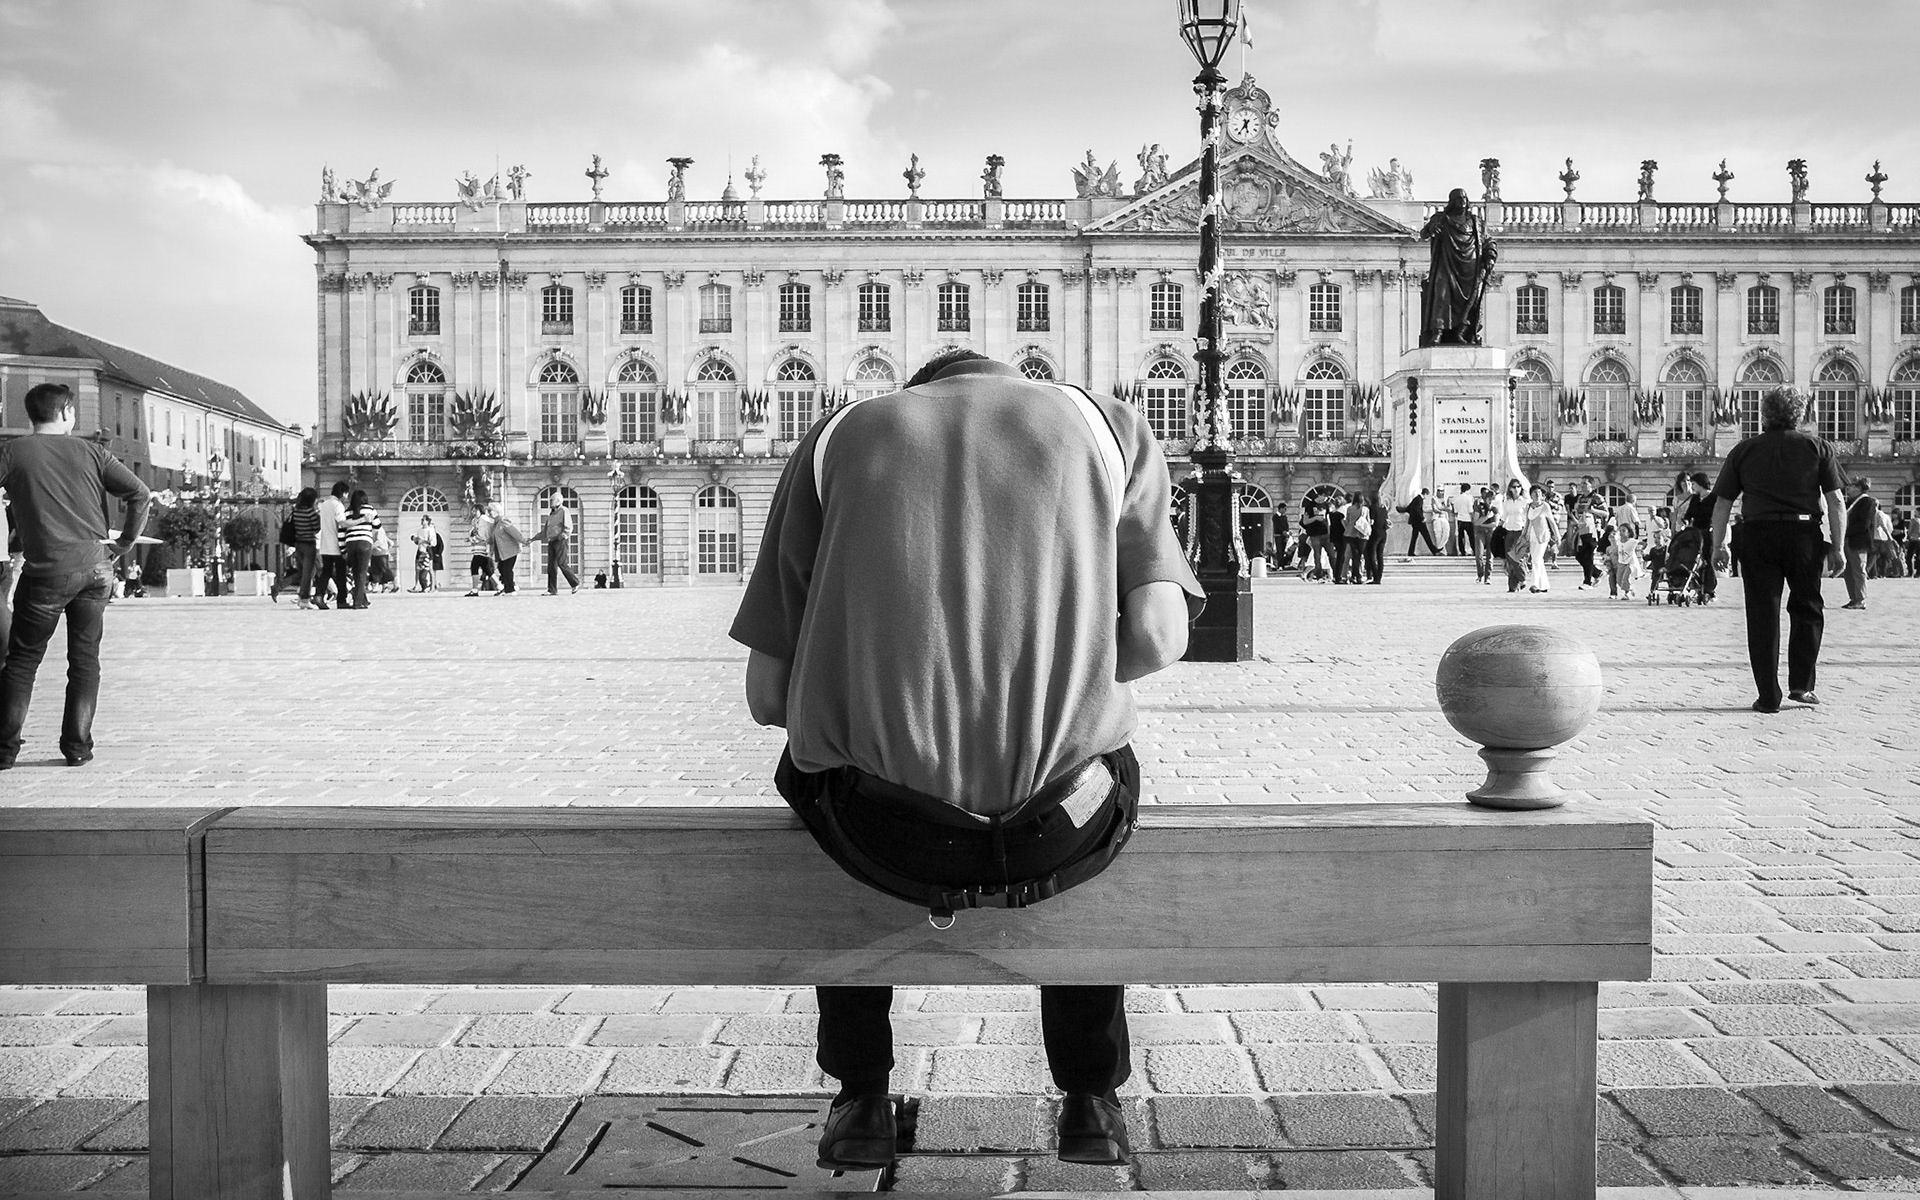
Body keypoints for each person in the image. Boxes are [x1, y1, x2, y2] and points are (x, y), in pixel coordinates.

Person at [730, 349, 1202, 1172]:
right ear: (1012, 383)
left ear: (919, 394)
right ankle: (1091, 1099)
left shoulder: (838, 438)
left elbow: (769, 700)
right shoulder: (1104, 424)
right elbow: (1161, 637)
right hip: (1061, 827)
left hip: (881, 834)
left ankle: (861, 1097)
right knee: (1098, 761)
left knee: (813, 767)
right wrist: (1062, 674)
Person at [0, 382, 152, 768]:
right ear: (67, 412)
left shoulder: (13, 452)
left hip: (48, 570)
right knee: (85, 660)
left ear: (30, 415)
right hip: (97, 567)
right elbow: (140, 493)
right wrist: (127, 542)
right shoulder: (93, 452)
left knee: (22, 661)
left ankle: (4, 751)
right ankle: (77, 747)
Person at [1709, 389, 1845, 712]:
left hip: (1758, 533)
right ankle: (1801, 685)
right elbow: (1837, 501)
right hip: (1804, 535)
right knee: (1808, 608)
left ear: (1764, 415)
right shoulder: (1818, 448)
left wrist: (1718, 545)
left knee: (1762, 613)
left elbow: (1723, 503)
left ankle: (1768, 695)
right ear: (1800, 414)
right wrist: (1838, 547)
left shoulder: (1744, 450)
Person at [1679, 472, 1719, 602]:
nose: (1691, 486)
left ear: (1700, 483)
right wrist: (1685, 522)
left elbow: (1718, 516)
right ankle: (1696, 586)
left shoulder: (1713, 497)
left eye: (1693, 483)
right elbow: (1689, 514)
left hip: (1708, 532)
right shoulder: (1695, 498)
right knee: (1693, 559)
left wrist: (1714, 527)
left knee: (1707, 559)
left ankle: (1709, 589)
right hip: (1695, 533)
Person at [1840, 478, 1877, 610]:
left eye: (1851, 486)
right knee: (1848, 571)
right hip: (1848, 540)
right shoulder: (1850, 502)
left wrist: (1845, 532)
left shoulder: (1867, 502)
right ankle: (1853, 598)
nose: (1848, 488)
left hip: (1859, 541)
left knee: (1858, 570)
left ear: (1859, 488)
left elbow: (1864, 524)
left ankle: (1860, 599)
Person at [340, 489, 380, 609]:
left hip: (350, 543)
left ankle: (363, 599)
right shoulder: (370, 510)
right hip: (364, 542)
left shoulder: (347, 511)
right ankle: (357, 602)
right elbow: (377, 526)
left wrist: (343, 550)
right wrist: (372, 538)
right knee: (362, 573)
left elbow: (341, 532)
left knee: (356, 571)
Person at [315, 481, 350, 610]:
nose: (346, 497)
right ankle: (342, 600)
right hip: (336, 544)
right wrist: (358, 522)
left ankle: (319, 595)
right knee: (341, 573)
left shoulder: (324, 504)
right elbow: (342, 522)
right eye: (346, 494)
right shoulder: (338, 505)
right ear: (343, 493)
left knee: (326, 572)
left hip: (325, 544)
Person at [288, 488, 322, 610]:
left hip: (298, 544)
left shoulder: (295, 511)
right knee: (309, 573)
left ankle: (301, 597)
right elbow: (317, 529)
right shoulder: (311, 513)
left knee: (303, 572)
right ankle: (304, 599)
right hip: (309, 544)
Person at [542, 494, 580, 596]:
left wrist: (563, 535)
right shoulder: (552, 513)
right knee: (551, 567)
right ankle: (552, 589)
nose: (550, 502)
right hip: (551, 540)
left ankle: (575, 583)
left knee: (561, 563)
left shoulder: (563, 510)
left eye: (552, 500)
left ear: (558, 501)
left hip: (560, 540)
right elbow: (547, 528)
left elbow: (568, 525)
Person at [487, 503, 527, 595]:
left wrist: (524, 541)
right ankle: (510, 586)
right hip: (502, 552)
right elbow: (493, 538)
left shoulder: (503, 521)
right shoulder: (495, 524)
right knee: (501, 568)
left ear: (497, 511)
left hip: (510, 550)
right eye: (489, 511)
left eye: (491, 510)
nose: (489, 513)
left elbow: (515, 532)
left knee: (507, 569)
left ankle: (510, 590)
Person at [1524, 483, 1556, 593]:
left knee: (1536, 559)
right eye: (1535, 493)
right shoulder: (1529, 506)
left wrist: (1557, 535)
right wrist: (1524, 535)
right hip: (1531, 536)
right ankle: (1544, 584)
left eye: (1539, 493)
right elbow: (1527, 522)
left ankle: (1535, 583)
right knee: (1537, 560)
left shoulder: (1545, 506)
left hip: (1542, 536)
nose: (1537, 495)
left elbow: (1552, 522)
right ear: (1531, 495)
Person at [1296, 494, 1330, 582]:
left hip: (1315, 537)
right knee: (1318, 559)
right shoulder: (1309, 522)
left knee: (1321, 559)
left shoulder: (1324, 506)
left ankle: (1328, 576)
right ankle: (1306, 574)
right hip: (1315, 537)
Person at [1398, 488, 1441, 556]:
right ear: (1425, 494)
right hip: (1419, 522)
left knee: (1414, 537)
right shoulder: (1420, 499)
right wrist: (1422, 518)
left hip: (1414, 522)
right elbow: (1417, 509)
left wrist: (1400, 509)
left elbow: (1409, 508)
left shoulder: (1416, 498)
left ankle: (1411, 552)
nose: (1426, 498)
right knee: (1426, 536)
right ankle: (1434, 550)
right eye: (1427, 495)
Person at [466, 506, 496, 596]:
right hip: (478, 548)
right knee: (487, 569)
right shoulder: (476, 520)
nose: (473, 513)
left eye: (475, 511)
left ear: (480, 511)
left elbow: (482, 536)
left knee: (474, 567)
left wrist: (472, 539)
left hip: (482, 548)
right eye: (472, 511)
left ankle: (475, 589)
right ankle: (500, 586)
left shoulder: (483, 520)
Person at [1470, 486, 1498, 585]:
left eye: (1492, 499)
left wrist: (1483, 523)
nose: (1490, 501)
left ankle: (1488, 576)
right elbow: (1475, 521)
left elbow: (1495, 523)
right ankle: (1480, 574)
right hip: (1479, 532)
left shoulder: (1495, 508)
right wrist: (1486, 517)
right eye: (1489, 499)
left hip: (1490, 532)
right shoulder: (1479, 506)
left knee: (1490, 555)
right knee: (1479, 554)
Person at [1342, 491, 1369, 584]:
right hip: (1361, 535)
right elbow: (1368, 522)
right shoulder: (1365, 509)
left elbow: (1348, 521)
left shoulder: (1349, 509)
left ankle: (1354, 576)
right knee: (1359, 557)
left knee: (1354, 556)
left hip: (1350, 534)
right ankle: (1358, 576)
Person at [411, 515, 443, 592]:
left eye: (424, 520)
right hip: (420, 550)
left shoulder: (430, 530)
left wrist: (424, 541)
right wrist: (416, 540)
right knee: (418, 569)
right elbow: (417, 542)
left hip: (427, 550)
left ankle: (432, 587)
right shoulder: (419, 530)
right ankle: (418, 586)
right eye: (422, 520)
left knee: (430, 569)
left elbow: (433, 542)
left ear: (428, 521)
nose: (422, 521)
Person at [1364, 491, 1389, 584]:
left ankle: (1376, 577)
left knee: (1371, 555)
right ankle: (1379, 576)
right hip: (1383, 533)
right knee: (1380, 556)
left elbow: (1371, 522)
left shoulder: (1371, 508)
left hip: (1375, 533)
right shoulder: (1383, 509)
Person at [1448, 483, 1477, 558]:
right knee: (1471, 537)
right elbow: (1470, 510)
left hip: (1459, 519)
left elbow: (1455, 510)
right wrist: (1473, 519)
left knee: (1461, 537)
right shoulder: (1468, 498)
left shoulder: (1456, 498)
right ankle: (1474, 550)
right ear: (1467, 490)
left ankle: (1462, 551)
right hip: (1468, 519)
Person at [1327, 494, 1349, 584]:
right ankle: (1338, 576)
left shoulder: (1331, 514)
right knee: (1341, 556)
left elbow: (1329, 526)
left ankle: (1336, 575)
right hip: (1341, 536)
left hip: (1334, 536)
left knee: (1338, 556)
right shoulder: (1341, 515)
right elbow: (1344, 526)